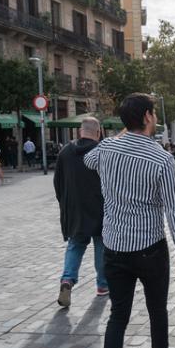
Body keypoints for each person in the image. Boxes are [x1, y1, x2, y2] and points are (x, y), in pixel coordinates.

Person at [84, 93, 175, 348]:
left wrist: (119, 137)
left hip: (114, 246)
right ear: (146, 116)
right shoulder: (160, 158)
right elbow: (173, 207)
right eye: (153, 113)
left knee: (118, 315)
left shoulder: (106, 148)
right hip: (149, 247)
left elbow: (88, 161)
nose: (155, 118)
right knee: (157, 308)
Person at [54, 117, 108, 307]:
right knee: (101, 245)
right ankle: (102, 285)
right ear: (98, 132)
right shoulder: (101, 151)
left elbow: (58, 183)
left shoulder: (65, 152)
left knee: (75, 245)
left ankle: (67, 279)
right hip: (100, 208)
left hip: (74, 209)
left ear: (80, 131)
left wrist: (65, 204)